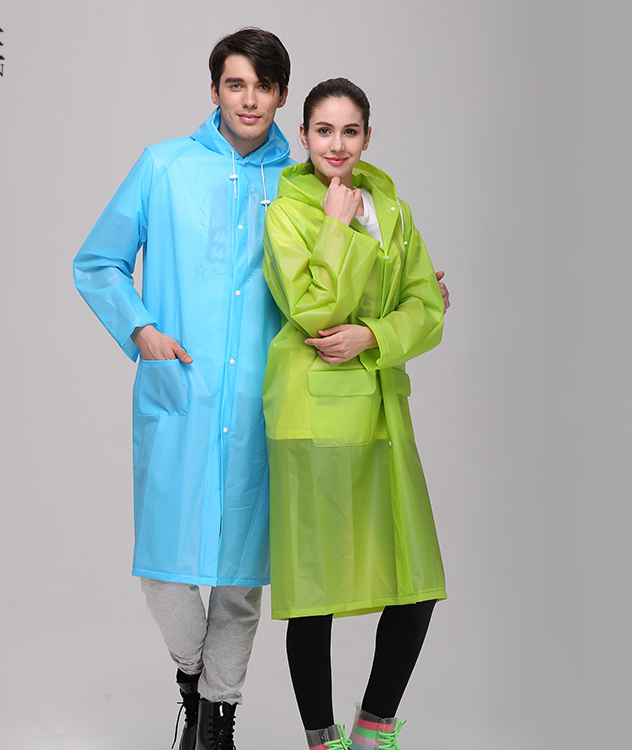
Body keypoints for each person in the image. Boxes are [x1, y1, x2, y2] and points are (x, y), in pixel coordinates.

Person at [73, 28, 292, 750]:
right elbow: (98, 262)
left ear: (280, 96)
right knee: (165, 572)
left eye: (263, 87)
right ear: (215, 90)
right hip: (182, 394)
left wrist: (409, 291)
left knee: (239, 580)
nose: (249, 99)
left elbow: (345, 270)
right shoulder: (163, 166)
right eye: (236, 84)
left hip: (262, 402)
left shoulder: (298, 184)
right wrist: (140, 329)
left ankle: (216, 726)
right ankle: (196, 685)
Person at [261, 78, 447, 750]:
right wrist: (336, 229)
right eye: (323, 130)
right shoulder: (286, 212)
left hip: (382, 410)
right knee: (316, 588)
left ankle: (372, 731)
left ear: (368, 136)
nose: (336, 145)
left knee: (414, 581)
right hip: (312, 414)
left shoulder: (393, 209)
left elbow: (428, 309)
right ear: (303, 135)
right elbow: (313, 311)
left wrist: (372, 335)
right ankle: (322, 740)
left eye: (349, 131)